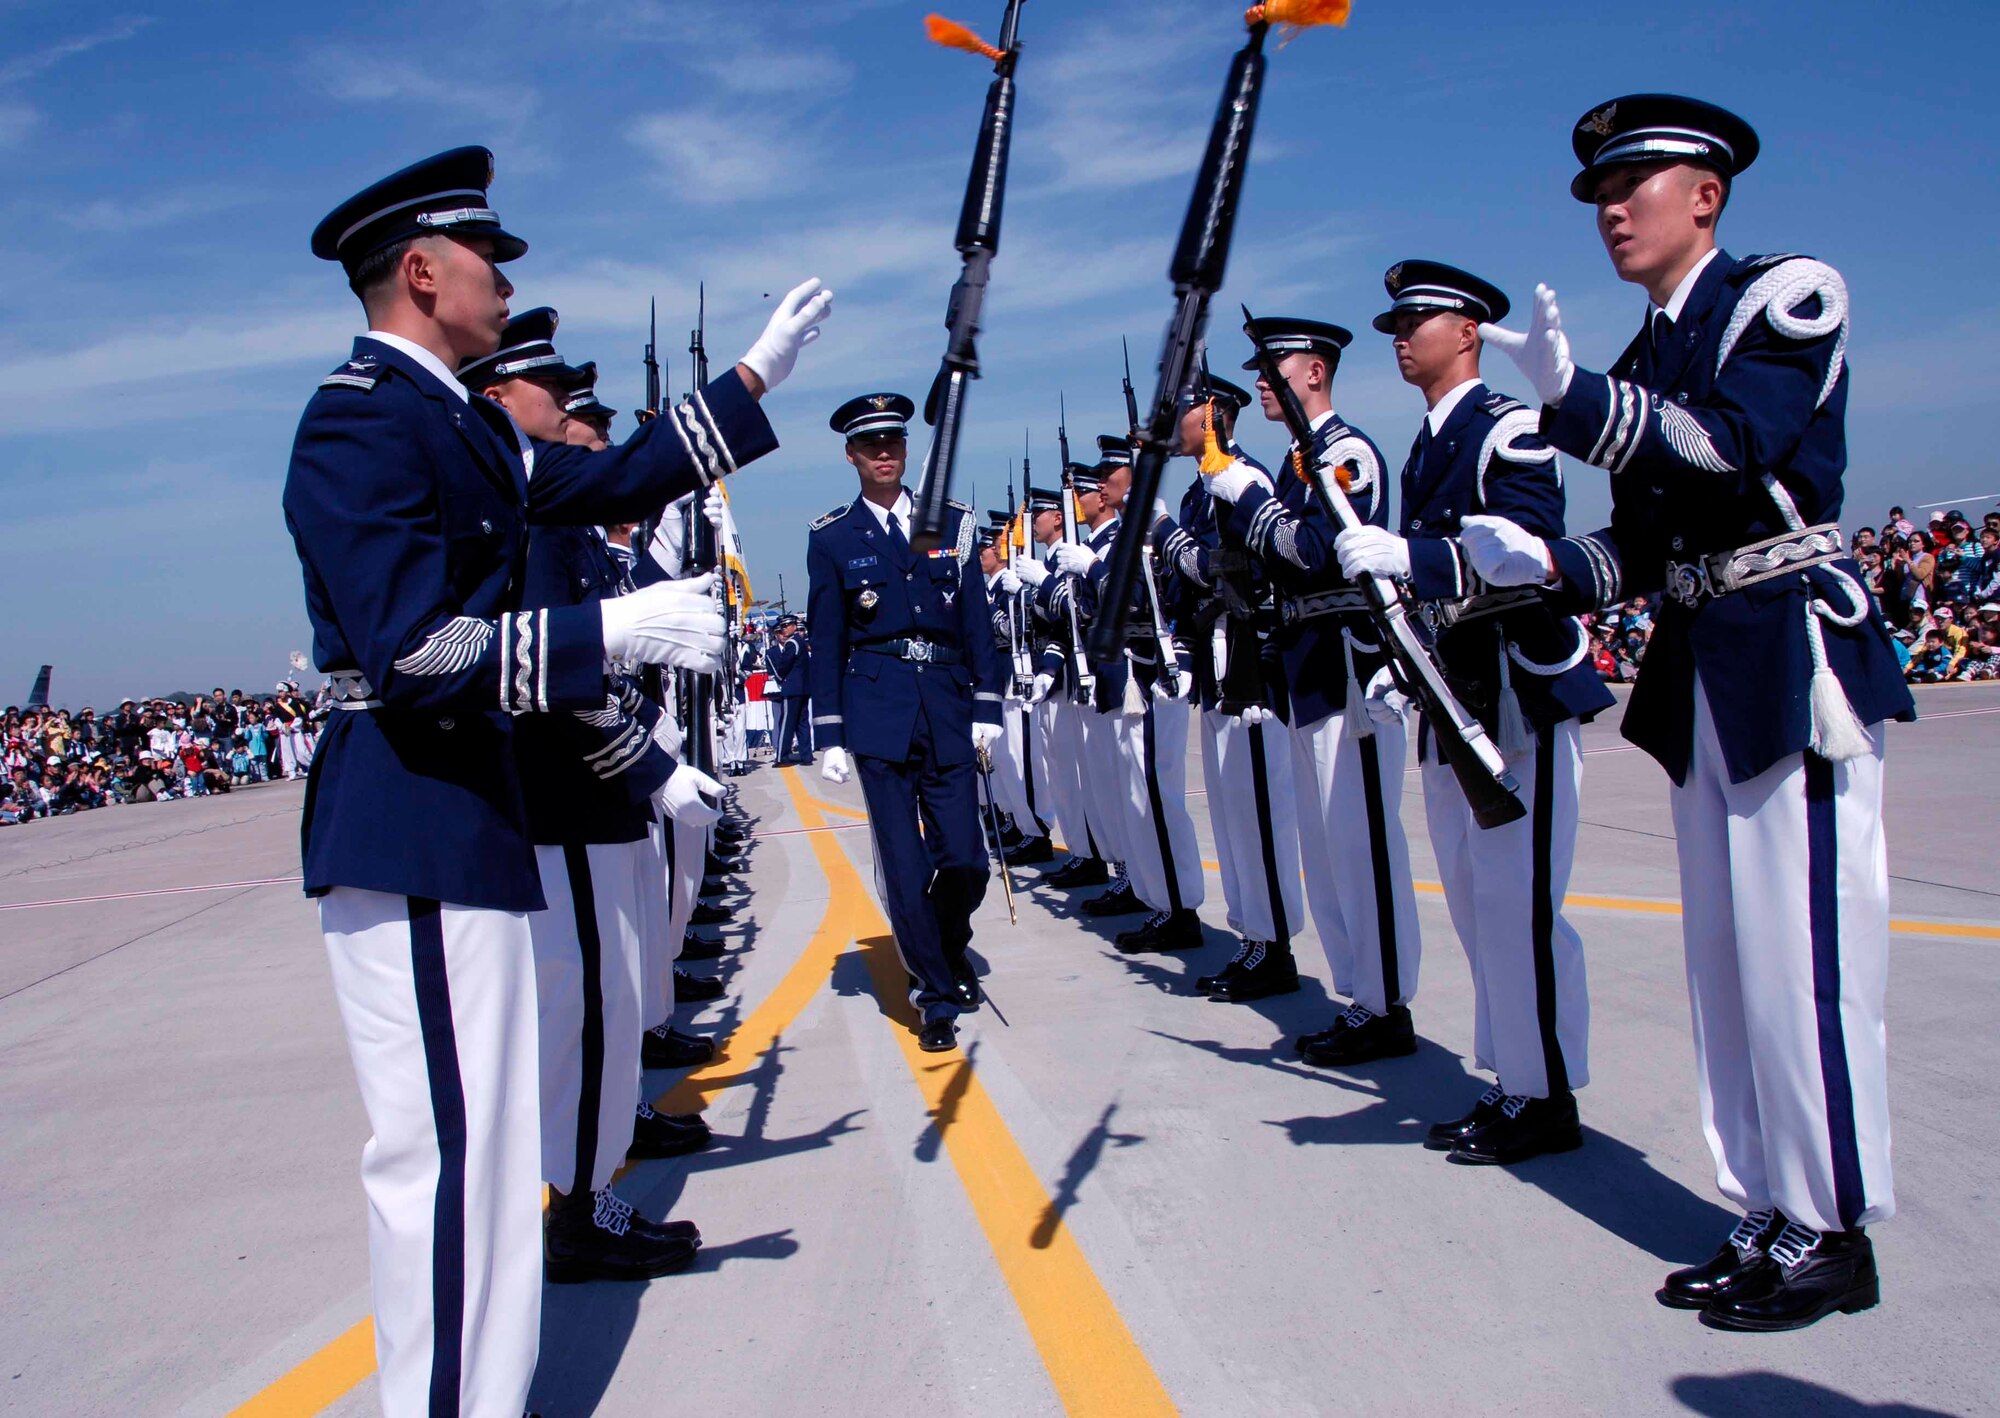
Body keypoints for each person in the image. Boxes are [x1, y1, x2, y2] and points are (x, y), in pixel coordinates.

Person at [284, 146, 829, 1417]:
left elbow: (605, 478)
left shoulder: (459, 420)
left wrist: (748, 382)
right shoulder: (363, 414)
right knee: (441, 1158)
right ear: (421, 272)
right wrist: (615, 636)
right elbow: (413, 651)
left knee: (476, 1149)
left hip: (464, 811)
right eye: (487, 260)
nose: (503, 278)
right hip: (409, 813)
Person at [1469, 95, 1913, 1330]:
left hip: (1785, 656)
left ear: (1704, 194)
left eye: (1635, 184)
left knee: (1805, 957)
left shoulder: (1782, 296)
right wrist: (1543, 567)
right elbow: (1647, 538)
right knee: (1728, 963)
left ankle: (1834, 1225)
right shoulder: (1653, 351)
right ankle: (1767, 1204)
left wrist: (1574, 406)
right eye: (1599, 195)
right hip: (1703, 655)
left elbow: (1732, 448)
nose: (1611, 209)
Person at [460, 307, 719, 1283]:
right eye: (555, 394)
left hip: (596, 797)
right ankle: (576, 1206)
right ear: (502, 400)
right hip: (568, 799)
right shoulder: (531, 521)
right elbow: (561, 684)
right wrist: (653, 768)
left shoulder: (548, 515)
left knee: (607, 1001)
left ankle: (587, 1192)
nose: (572, 413)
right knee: (586, 1009)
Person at [1335, 260, 1615, 1160]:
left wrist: (1415, 557)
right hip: (1457, 697)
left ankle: (1547, 1095)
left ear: (1468, 331)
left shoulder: (1511, 427)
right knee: (1473, 901)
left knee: (1518, 904)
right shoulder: (1425, 444)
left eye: (1416, 319)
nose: (1399, 336)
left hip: (1516, 697)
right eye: (1396, 323)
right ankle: (1515, 1081)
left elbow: (1526, 550)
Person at [1207, 316, 1423, 1017]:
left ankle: (1385, 1005)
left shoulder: (1345, 451)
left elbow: (1319, 551)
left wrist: (1253, 504)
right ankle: (1358, 996)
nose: (1262, 384)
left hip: (1349, 670)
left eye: (1274, 370)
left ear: (1315, 373)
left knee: (1362, 847)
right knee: (1328, 854)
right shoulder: (1304, 457)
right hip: (1308, 671)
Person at [807, 392, 1004, 1053]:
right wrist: (829, 732)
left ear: (906, 448)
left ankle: (947, 948)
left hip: (947, 704)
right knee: (903, 862)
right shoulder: (833, 537)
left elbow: (977, 620)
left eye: (893, 441)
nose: (884, 453)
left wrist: (987, 705)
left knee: (966, 860)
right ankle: (935, 995)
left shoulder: (951, 521)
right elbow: (826, 639)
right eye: (870, 445)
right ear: (851, 456)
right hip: (878, 709)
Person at [1150, 371, 1308, 992]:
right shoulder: (1201, 489)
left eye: (1184, 408)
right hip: (1218, 667)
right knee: (1232, 811)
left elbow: (1225, 570)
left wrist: (1167, 537)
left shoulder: (1244, 481)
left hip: (1249, 666)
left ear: (1211, 414)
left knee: (1261, 812)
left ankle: (1276, 950)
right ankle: (1253, 937)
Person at [1065, 436, 1208, 953]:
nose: (1100, 485)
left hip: (1155, 675)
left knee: (1157, 795)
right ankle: (1159, 900)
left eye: (1111, 473)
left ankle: (1178, 908)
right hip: (1133, 676)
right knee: (1136, 795)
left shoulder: (1147, 530)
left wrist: (1094, 571)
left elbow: (1147, 595)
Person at [766, 616, 813, 765]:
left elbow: (784, 664)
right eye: (783, 627)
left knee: (786, 723)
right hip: (803, 688)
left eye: (787, 626)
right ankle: (806, 756)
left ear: (794, 626)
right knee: (802, 722)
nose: (785, 629)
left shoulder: (792, 643)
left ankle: (782, 756)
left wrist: (780, 678)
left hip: (792, 688)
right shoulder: (801, 643)